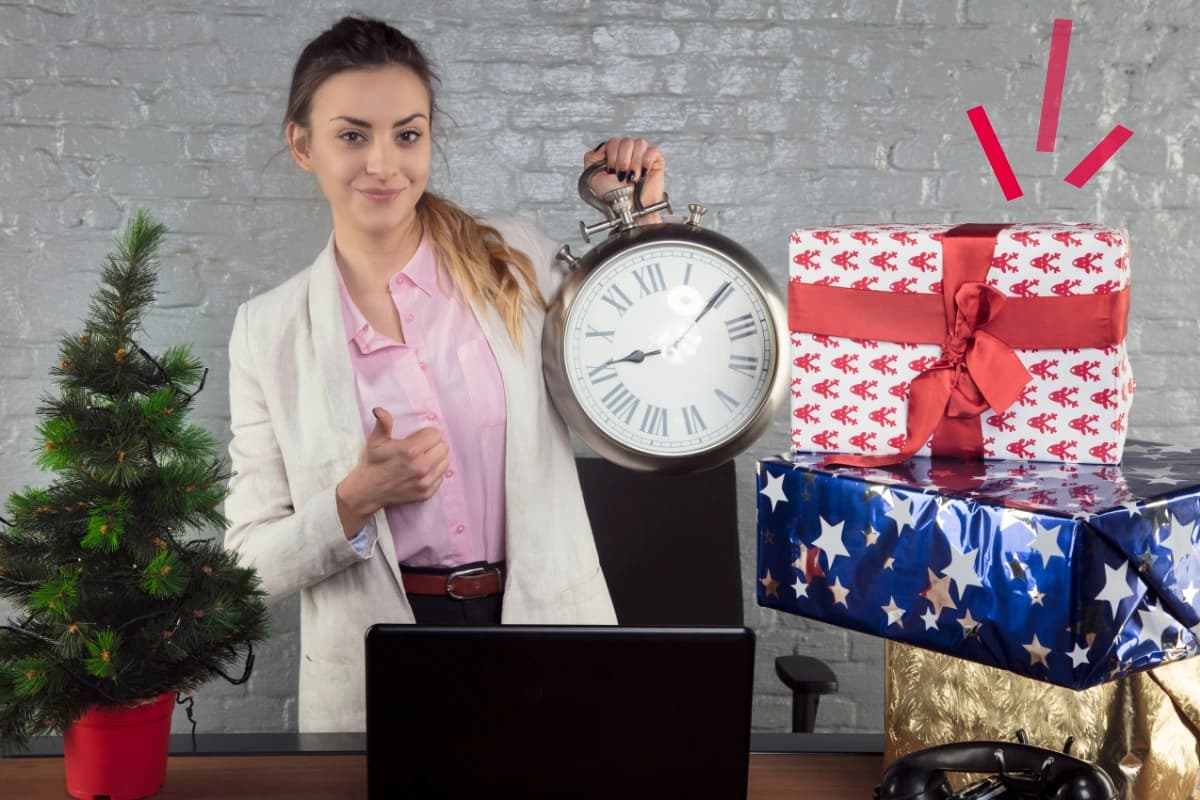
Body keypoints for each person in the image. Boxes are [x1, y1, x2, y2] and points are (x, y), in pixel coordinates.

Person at [222, 15, 668, 732]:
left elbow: (650, 366)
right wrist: (354, 500)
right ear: (301, 145)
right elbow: (247, 566)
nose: (383, 164)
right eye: (351, 135)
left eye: (407, 134)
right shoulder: (267, 332)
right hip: (381, 658)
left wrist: (640, 220)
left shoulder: (514, 258)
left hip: (543, 623)